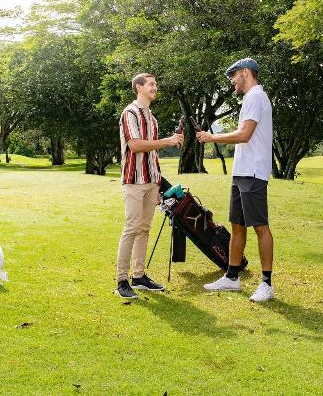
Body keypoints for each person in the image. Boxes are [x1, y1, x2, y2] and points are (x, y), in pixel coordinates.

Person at [197, 58, 274, 302]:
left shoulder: (255, 97)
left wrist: (212, 137)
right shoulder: (250, 98)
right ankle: (231, 277)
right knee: (237, 225)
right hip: (242, 172)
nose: (232, 81)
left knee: (260, 226)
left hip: (253, 173)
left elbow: (244, 135)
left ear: (245, 73)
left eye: (234, 76)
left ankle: (266, 284)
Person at [115, 73, 184, 299]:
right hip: (133, 181)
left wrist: (157, 183)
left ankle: (139, 276)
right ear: (139, 87)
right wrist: (167, 141)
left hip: (150, 181)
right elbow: (134, 145)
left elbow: (152, 154)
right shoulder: (130, 113)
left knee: (144, 229)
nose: (155, 87)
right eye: (151, 84)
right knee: (132, 228)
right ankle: (122, 281)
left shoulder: (152, 118)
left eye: (155, 84)